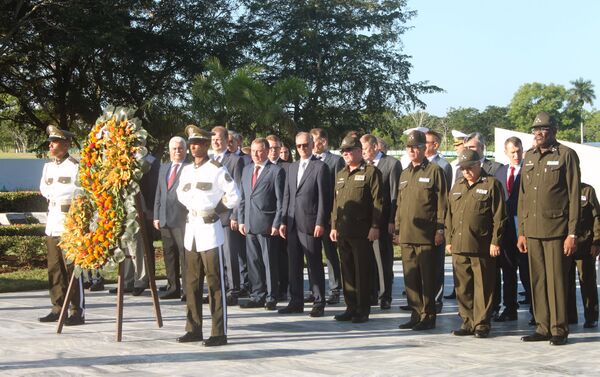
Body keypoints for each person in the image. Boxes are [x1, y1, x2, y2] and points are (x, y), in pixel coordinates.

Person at [518, 111, 581, 346]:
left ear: (553, 131)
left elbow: (574, 197)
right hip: (533, 230)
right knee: (538, 281)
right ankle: (542, 326)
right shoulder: (530, 157)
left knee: (556, 281)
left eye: (543, 129)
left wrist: (572, 233)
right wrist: (522, 231)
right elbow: (523, 196)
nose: (538, 133)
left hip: (557, 230)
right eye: (535, 130)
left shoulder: (566, 155)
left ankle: (559, 329)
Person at [175, 125, 240, 346]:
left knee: (215, 284)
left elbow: (234, 196)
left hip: (210, 231)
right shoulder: (186, 170)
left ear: (206, 145)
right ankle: (193, 328)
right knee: (191, 283)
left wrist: (215, 210)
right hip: (192, 229)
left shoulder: (217, 169)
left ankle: (218, 332)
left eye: (198, 144)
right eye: (191, 144)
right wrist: (194, 205)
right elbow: (180, 193)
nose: (194, 148)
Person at [446, 149, 506, 338]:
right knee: (462, 287)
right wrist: (449, 240)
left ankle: (481, 323)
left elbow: (499, 216)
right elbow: (449, 216)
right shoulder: (457, 186)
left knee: (483, 286)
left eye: (469, 167)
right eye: (463, 168)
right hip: (459, 245)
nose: (466, 172)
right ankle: (467, 321)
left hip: (482, 245)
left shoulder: (491, 185)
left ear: (479, 164)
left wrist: (495, 242)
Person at [395, 130, 447, 331]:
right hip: (407, 234)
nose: (412, 150)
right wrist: (397, 230)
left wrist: (440, 229)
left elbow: (442, 204)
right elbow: (400, 204)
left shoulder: (434, 171)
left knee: (428, 278)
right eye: (409, 147)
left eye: (416, 147)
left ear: (424, 148)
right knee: (411, 277)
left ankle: (428, 315)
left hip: (426, 235)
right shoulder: (405, 173)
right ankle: (415, 313)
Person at [330, 135, 382, 323]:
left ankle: (362, 309)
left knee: (362, 272)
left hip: (362, 231)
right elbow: (336, 203)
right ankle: (350, 307)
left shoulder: (371, 172)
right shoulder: (341, 174)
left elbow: (378, 202)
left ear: (360, 151)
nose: (346, 154)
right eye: (343, 151)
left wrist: (375, 226)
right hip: (343, 230)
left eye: (349, 150)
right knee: (348, 272)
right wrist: (334, 225)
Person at [279, 132, 331, 317]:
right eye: (299, 146)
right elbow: (287, 195)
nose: (302, 149)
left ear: (312, 144)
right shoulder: (292, 167)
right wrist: (284, 220)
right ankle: (296, 301)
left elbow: (324, 198)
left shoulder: (320, 167)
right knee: (294, 264)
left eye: (305, 145)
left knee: (314, 264)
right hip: (292, 223)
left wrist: (320, 222)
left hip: (310, 223)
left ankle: (318, 301)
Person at [38, 125, 85, 326]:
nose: (50, 145)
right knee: (54, 267)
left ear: (65, 145)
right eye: (50, 142)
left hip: (70, 222)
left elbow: (83, 195)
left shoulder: (75, 167)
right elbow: (44, 189)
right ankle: (58, 307)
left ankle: (76, 310)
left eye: (54, 142)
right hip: (53, 221)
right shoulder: (48, 167)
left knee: (72, 268)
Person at [238, 138, 285, 310]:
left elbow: (281, 201)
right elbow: (243, 198)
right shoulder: (246, 170)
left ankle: (272, 296)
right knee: (253, 262)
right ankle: (257, 295)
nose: (256, 155)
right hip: (249, 223)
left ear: (266, 151)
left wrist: (277, 222)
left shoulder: (275, 171)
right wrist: (241, 219)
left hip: (267, 224)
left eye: (259, 151)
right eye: (253, 151)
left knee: (269, 262)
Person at [360, 134, 402, 310]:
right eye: (361, 150)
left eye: (365, 149)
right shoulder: (362, 166)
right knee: (368, 259)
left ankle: (385, 295)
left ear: (375, 147)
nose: (363, 153)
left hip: (384, 220)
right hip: (364, 221)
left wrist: (393, 220)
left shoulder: (391, 164)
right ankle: (371, 293)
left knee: (383, 259)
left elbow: (394, 195)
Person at [493, 137, 526, 322]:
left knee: (528, 271)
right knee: (508, 269)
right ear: (506, 152)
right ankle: (509, 308)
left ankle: (536, 312)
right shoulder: (500, 172)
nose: (516, 155)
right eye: (512, 151)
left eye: (519, 151)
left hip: (524, 226)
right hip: (505, 228)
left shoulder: (529, 170)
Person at [310, 128, 345, 304]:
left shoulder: (336, 161)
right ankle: (315, 289)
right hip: (310, 215)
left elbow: (339, 190)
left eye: (314, 140)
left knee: (330, 253)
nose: (311, 144)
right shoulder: (309, 161)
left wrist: (334, 218)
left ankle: (335, 288)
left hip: (329, 214)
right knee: (312, 253)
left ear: (323, 141)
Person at [211, 126, 245, 305]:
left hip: (227, 215)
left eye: (219, 139)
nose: (216, 142)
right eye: (213, 140)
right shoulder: (208, 161)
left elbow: (238, 189)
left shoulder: (235, 160)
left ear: (226, 140)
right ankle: (220, 288)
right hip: (211, 217)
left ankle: (234, 290)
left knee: (230, 255)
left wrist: (234, 216)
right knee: (216, 256)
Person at [153, 136, 189, 300]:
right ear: (169, 150)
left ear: (185, 150)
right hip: (165, 218)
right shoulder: (164, 168)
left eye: (180, 148)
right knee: (169, 254)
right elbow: (159, 193)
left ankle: (188, 290)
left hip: (182, 219)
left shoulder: (189, 168)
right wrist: (156, 215)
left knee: (184, 255)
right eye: (174, 149)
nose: (177, 151)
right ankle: (173, 287)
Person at [425, 130, 452, 312]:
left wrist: (441, 227)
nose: (422, 145)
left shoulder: (443, 165)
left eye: (425, 142)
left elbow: (444, 197)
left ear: (435, 144)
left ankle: (436, 299)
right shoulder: (418, 165)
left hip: (436, 221)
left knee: (436, 263)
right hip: (421, 223)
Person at [567, 182, 600, 328]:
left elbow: (597, 217)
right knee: (565, 283)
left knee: (587, 281)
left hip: (585, 244)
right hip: (564, 245)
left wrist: (597, 242)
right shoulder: (557, 189)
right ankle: (569, 316)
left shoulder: (587, 190)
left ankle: (591, 316)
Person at [266, 134, 290, 301]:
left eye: (277, 148)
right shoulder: (258, 167)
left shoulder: (287, 167)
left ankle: (283, 287)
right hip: (264, 220)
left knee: (282, 256)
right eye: (271, 147)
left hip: (281, 218)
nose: (274, 151)